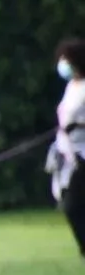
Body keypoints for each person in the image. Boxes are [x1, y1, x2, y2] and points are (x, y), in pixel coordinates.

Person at [45, 37, 85, 258]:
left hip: (83, 153)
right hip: (67, 152)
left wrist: (77, 125)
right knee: (70, 204)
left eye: (66, 59)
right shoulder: (72, 86)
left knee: (74, 205)